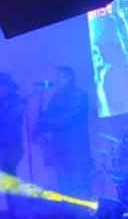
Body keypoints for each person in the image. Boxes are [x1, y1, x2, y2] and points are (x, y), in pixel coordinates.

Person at [34, 66, 93, 199]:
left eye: (59, 77)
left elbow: (70, 117)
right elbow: (45, 118)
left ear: (69, 78)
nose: (56, 80)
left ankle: (84, 211)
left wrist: (48, 122)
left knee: (80, 186)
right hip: (59, 149)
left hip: (76, 150)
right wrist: (41, 101)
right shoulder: (56, 98)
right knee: (64, 186)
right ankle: (70, 211)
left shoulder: (79, 96)